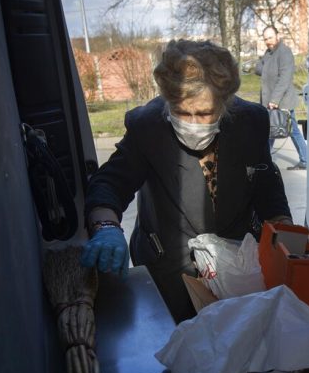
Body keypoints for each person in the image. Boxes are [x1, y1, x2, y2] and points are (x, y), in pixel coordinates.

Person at [81, 39, 293, 323]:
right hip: (170, 267)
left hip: (236, 267)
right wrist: (106, 227)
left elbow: (268, 187)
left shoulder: (250, 122)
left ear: (225, 102)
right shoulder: (148, 127)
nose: (193, 122)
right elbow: (110, 183)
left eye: (205, 113)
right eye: (181, 112)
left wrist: (287, 241)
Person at [255, 26, 308, 170]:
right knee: (271, 130)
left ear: (277, 36)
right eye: (265, 39)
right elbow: (258, 69)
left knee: (290, 131)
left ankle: (305, 160)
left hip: (281, 101)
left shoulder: (284, 52)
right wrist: (263, 58)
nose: (267, 41)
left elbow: (285, 78)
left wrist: (275, 100)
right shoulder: (269, 53)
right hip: (270, 101)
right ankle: (265, 158)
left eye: (270, 38)